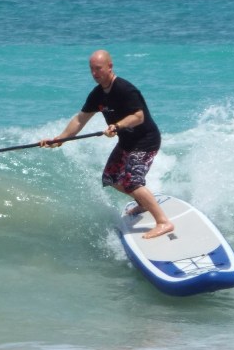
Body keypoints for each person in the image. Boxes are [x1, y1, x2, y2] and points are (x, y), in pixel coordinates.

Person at [41, 50, 174, 239]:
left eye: (98, 69)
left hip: (146, 141)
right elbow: (80, 120)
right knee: (111, 178)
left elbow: (138, 116)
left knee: (131, 181)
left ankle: (163, 222)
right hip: (127, 142)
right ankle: (143, 203)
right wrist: (60, 139)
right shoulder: (97, 95)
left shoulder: (125, 89)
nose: (95, 73)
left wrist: (117, 125)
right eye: (92, 70)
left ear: (110, 67)